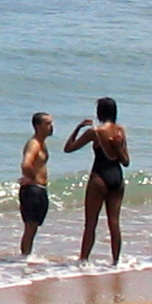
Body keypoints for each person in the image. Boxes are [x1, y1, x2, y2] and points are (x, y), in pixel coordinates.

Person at [64, 97, 129, 263]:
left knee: (90, 223)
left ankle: (83, 261)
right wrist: (117, 147)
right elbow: (126, 162)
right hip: (117, 176)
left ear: (99, 112)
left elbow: (68, 148)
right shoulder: (120, 131)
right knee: (114, 222)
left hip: (99, 177)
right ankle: (116, 262)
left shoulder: (96, 132)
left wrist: (78, 128)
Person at [18, 112, 54, 255]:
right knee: (30, 227)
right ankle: (24, 258)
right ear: (37, 126)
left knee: (33, 227)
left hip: (38, 188)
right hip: (33, 189)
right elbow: (26, 164)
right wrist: (32, 178)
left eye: (51, 123)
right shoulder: (34, 144)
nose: (51, 127)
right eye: (48, 124)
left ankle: (26, 256)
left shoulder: (41, 143)